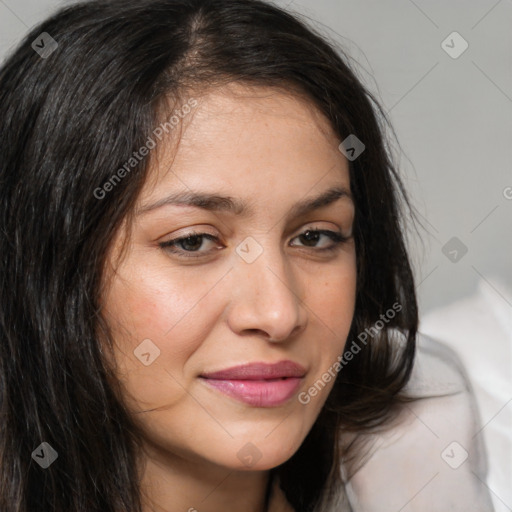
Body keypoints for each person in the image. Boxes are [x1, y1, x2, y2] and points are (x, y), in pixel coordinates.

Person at [0, 0, 494, 510]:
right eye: (192, 241)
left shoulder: (421, 449)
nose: (278, 314)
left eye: (315, 237)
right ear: (43, 265)